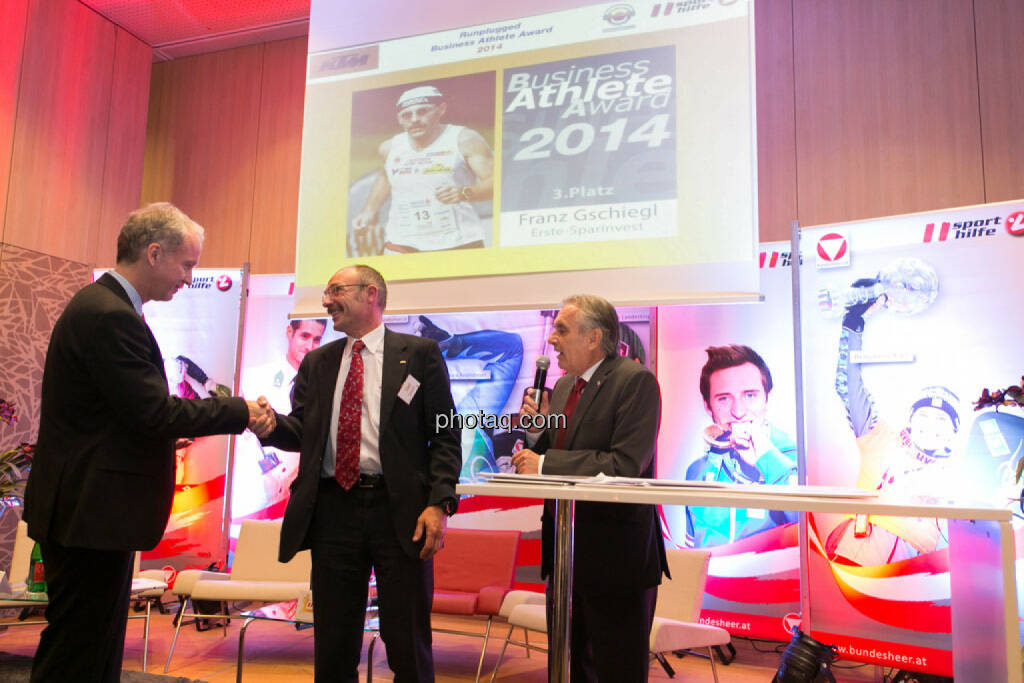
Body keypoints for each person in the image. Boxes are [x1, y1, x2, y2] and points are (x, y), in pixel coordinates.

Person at [22, 202, 276, 683]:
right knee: (79, 648)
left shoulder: (106, 307)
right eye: (187, 264)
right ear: (154, 253)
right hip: (91, 514)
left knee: (92, 644)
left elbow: (124, 414)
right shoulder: (108, 315)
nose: (188, 278)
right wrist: (239, 411)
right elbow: (154, 413)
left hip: (92, 512)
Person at [261, 264, 461, 682]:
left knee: (406, 640)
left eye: (336, 290)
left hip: (401, 514)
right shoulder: (317, 362)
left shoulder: (419, 354)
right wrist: (270, 425)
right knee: (333, 644)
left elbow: (445, 435)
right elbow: (303, 432)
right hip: (333, 511)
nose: (326, 300)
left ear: (371, 294)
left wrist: (439, 503)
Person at [512, 294, 667, 682]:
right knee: (569, 667)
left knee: (616, 670)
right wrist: (536, 434)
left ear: (594, 337)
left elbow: (624, 464)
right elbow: (557, 451)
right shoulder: (565, 386)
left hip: (616, 560)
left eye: (561, 330)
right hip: (565, 555)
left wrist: (543, 463)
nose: (551, 340)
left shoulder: (635, 382)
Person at [829, 286, 958, 565]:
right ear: (910, 420)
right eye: (923, 415)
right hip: (860, 553)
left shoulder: (956, 475)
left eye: (942, 419)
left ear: (953, 434)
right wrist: (852, 328)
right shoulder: (881, 438)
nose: (931, 425)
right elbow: (848, 387)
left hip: (916, 569)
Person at [353, 85, 494, 254]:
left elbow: (496, 183)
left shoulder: (464, 139)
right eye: (406, 115)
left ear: (441, 109)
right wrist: (369, 211)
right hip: (401, 241)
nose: (414, 119)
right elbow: (385, 177)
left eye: (423, 111)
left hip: (457, 241)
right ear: (399, 119)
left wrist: (464, 193)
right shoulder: (389, 147)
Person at [686, 345, 798, 547]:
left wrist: (767, 458)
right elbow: (692, 552)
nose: (738, 412)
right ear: (707, 405)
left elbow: (812, 530)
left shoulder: (796, 462)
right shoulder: (697, 471)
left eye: (750, 395)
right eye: (724, 398)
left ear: (767, 399)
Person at [235, 319, 327, 517]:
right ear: (289, 332)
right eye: (304, 336)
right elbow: (244, 439)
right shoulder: (254, 378)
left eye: (317, 339)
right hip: (258, 496)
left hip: (305, 495)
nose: (309, 346)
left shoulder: (325, 385)